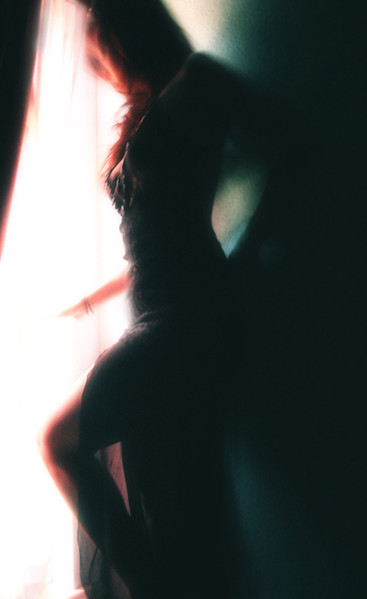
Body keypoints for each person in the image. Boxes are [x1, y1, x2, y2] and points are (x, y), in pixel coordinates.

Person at [37, 1, 308, 598]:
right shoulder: (144, 112)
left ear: (123, 31)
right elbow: (148, 244)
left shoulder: (196, 81)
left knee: (56, 441)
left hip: (188, 314)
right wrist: (86, 300)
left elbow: (289, 144)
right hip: (158, 313)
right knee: (171, 498)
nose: (99, 65)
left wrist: (247, 250)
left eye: (98, 47)